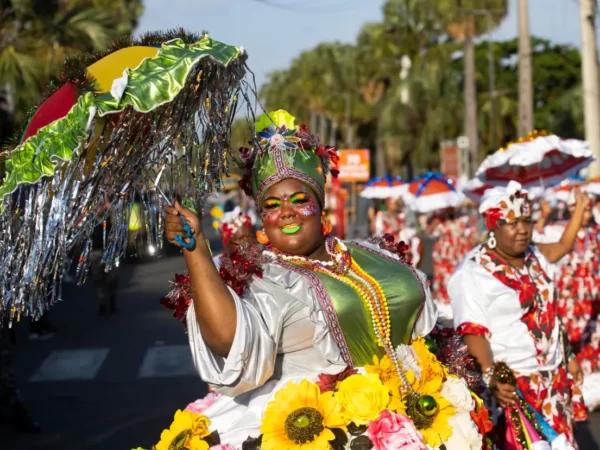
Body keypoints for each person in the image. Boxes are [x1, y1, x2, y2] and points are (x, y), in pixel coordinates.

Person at [160, 110, 487, 450]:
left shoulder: (372, 254)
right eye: (272, 205)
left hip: (415, 418)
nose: (286, 211)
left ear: (320, 205)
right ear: (263, 217)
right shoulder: (259, 279)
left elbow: (425, 326)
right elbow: (230, 341)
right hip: (317, 429)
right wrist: (197, 248)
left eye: (299, 200)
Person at [449, 181, 589, 448]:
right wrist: (491, 377)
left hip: (552, 383)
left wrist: (567, 356)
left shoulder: (534, 256)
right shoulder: (472, 273)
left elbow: (562, 246)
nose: (523, 229)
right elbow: (472, 331)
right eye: (512, 223)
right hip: (513, 389)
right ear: (493, 226)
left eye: (527, 220)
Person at [534, 191, 600, 412]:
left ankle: (591, 388)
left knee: (593, 342)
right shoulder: (558, 229)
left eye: (587, 208)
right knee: (571, 341)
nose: (584, 212)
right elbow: (537, 242)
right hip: (569, 298)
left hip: (591, 297)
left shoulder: (595, 232)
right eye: (579, 207)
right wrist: (543, 217)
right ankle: (576, 387)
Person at [90, 199, 119, 316]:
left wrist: (111, 208)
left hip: (110, 251)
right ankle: (102, 302)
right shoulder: (91, 220)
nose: (100, 207)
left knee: (112, 278)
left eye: (102, 204)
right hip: (96, 253)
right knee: (99, 280)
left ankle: (111, 297)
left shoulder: (110, 218)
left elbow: (117, 223)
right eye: (98, 205)